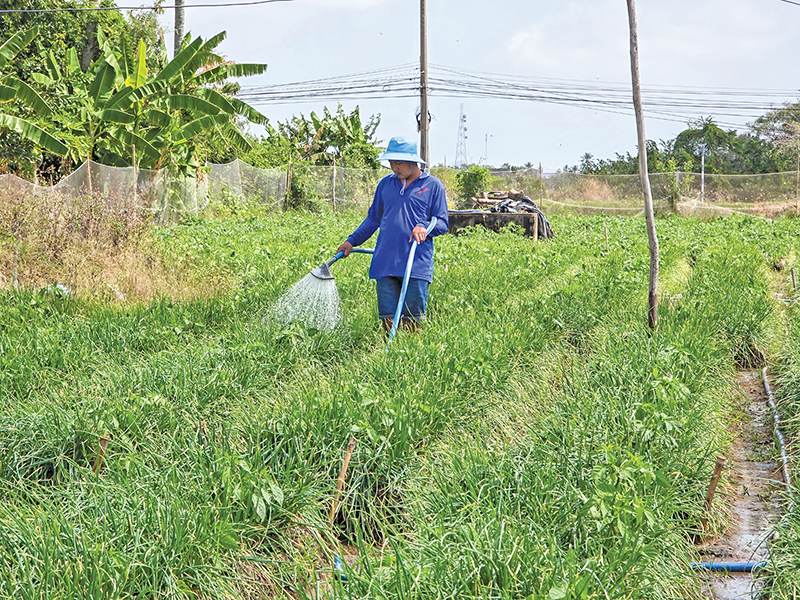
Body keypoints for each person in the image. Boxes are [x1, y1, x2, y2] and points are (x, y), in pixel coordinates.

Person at [337, 136, 449, 333]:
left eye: (398, 163)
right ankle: (388, 358)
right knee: (388, 320)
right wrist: (351, 241)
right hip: (385, 262)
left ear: (412, 161)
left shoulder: (433, 186)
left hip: (415, 264)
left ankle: (410, 359)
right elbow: (373, 219)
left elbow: (442, 222)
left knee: (412, 321)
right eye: (391, 162)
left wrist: (424, 227)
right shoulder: (385, 185)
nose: (393, 168)